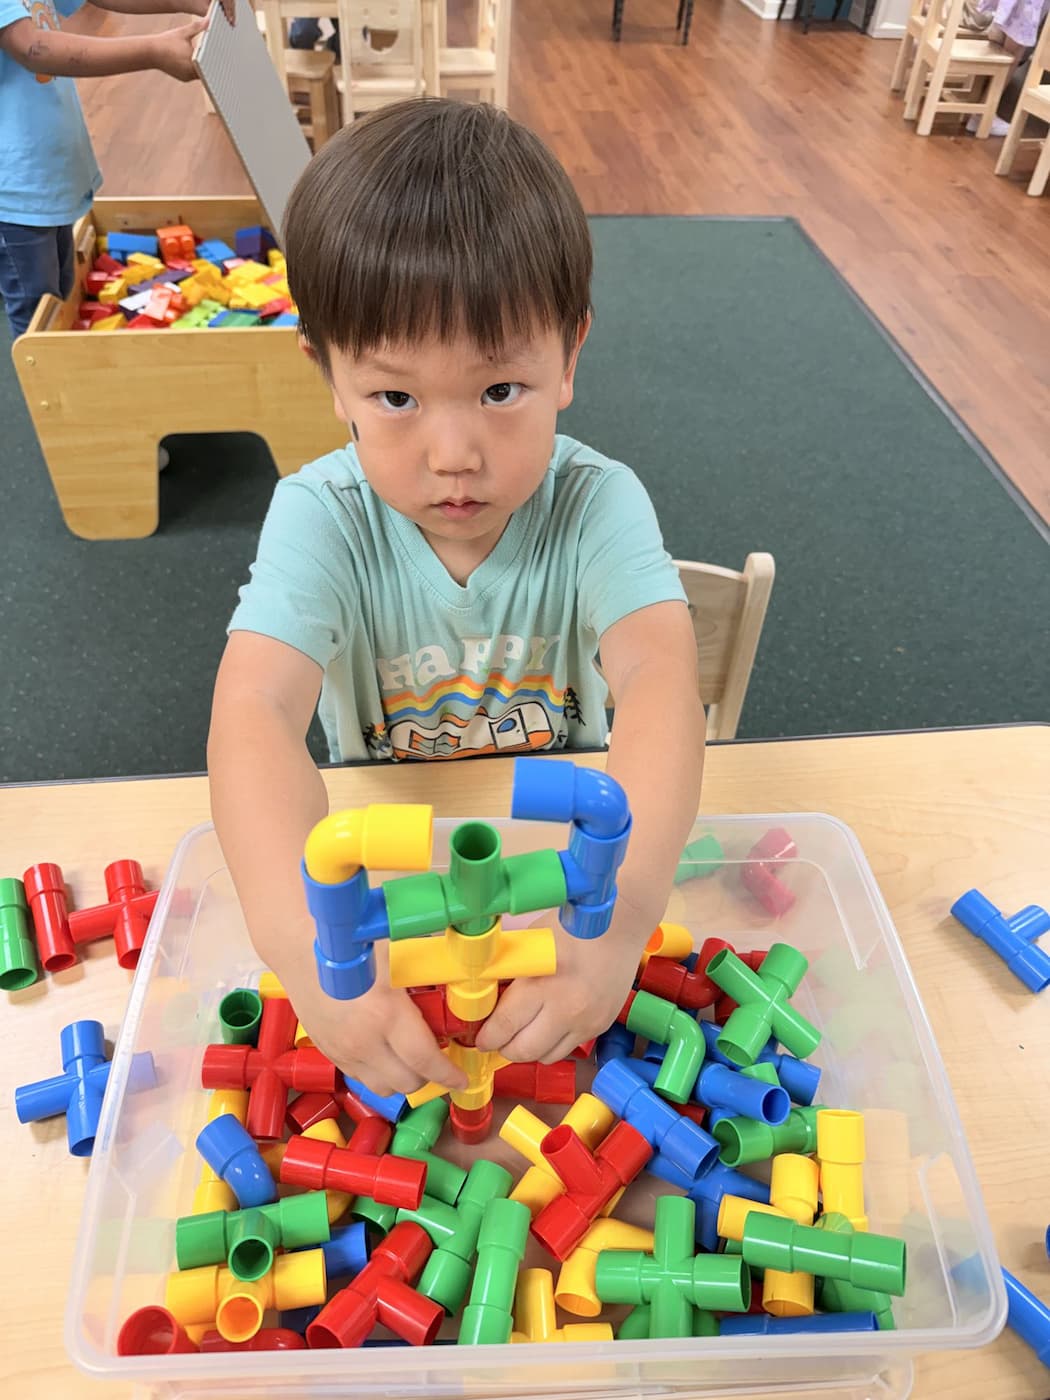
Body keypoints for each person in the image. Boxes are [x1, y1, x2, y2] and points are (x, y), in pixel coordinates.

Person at [208, 98, 706, 1099]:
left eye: (497, 391)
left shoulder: (596, 502)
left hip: (557, 886)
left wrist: (617, 913)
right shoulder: (322, 515)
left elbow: (660, 678)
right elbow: (253, 711)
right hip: (393, 890)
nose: (452, 455)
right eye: (396, 397)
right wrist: (311, 954)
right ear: (331, 380)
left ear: (568, 356)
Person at [0, 0, 208, 339]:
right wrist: (153, 51)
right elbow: (32, 47)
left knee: (62, 297)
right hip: (16, 191)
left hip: (45, 174)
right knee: (40, 318)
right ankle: (52, 391)